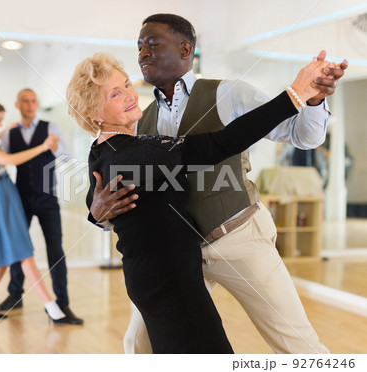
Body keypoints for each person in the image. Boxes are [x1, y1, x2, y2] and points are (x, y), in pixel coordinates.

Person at [88, 14, 347, 354]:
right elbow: (131, 195)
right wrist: (98, 214)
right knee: (137, 344)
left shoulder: (228, 92)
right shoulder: (139, 117)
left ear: (185, 50)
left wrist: (310, 100)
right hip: (179, 255)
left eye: (153, 44)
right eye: (139, 47)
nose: (143, 54)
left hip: (237, 237)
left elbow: (302, 135)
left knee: (296, 344)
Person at [0, 89, 83, 324]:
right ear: (18, 104)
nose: (30, 105)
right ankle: (14, 295)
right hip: (20, 198)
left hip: (47, 198)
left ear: (37, 104)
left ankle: (63, 304)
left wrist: (54, 147)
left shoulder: (51, 127)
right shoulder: (10, 134)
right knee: (18, 249)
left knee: (55, 250)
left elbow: (67, 158)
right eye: (25, 101)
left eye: (33, 101)